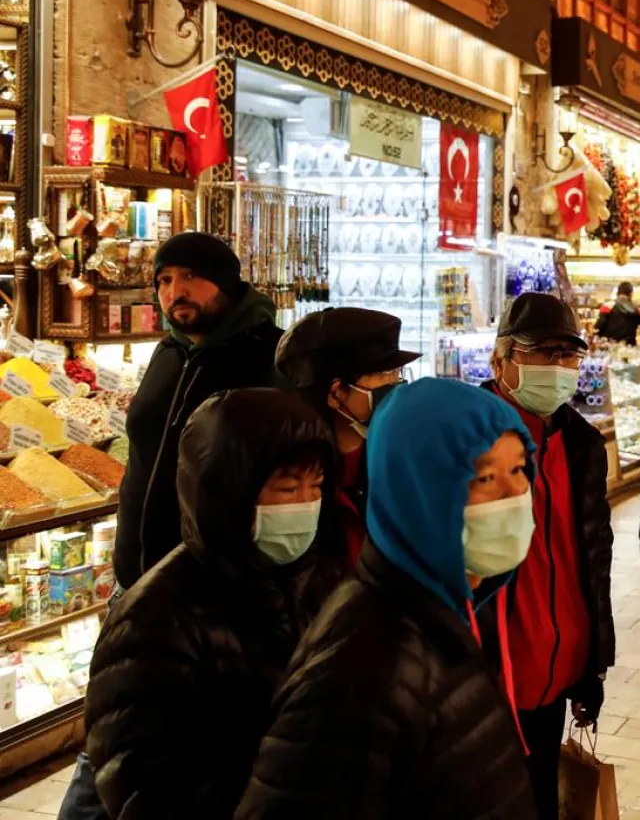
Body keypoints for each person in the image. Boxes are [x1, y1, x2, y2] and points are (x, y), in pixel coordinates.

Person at [234, 379, 539, 820]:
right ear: (419, 491)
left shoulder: (450, 613)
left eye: (519, 470)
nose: (515, 496)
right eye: (485, 477)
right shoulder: (365, 666)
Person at [85, 389, 344, 819]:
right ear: (230, 489)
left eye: (315, 486)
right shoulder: (151, 622)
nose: (305, 505)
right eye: (286, 487)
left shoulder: (323, 580)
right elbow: (143, 788)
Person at [482, 293, 614, 820]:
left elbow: (592, 557)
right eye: (543, 353)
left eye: (568, 355)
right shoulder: (471, 434)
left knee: (539, 797)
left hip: (557, 669)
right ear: (502, 360)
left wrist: (592, 666)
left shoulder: (581, 442)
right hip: (493, 674)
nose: (559, 367)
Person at [119, 233, 284, 590]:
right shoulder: (167, 352)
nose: (175, 291)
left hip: (218, 586)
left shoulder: (270, 354)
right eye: (164, 280)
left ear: (224, 282)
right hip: (137, 578)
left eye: (190, 275)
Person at [274, 308, 420, 567]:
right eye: (382, 376)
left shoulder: (401, 459)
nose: (396, 385)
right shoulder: (291, 473)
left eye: (397, 373)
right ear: (336, 393)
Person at [596, 281, 640, 345]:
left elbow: (598, 327)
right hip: (629, 348)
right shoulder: (638, 310)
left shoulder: (607, 306)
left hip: (609, 346)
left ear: (617, 293)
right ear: (631, 294)